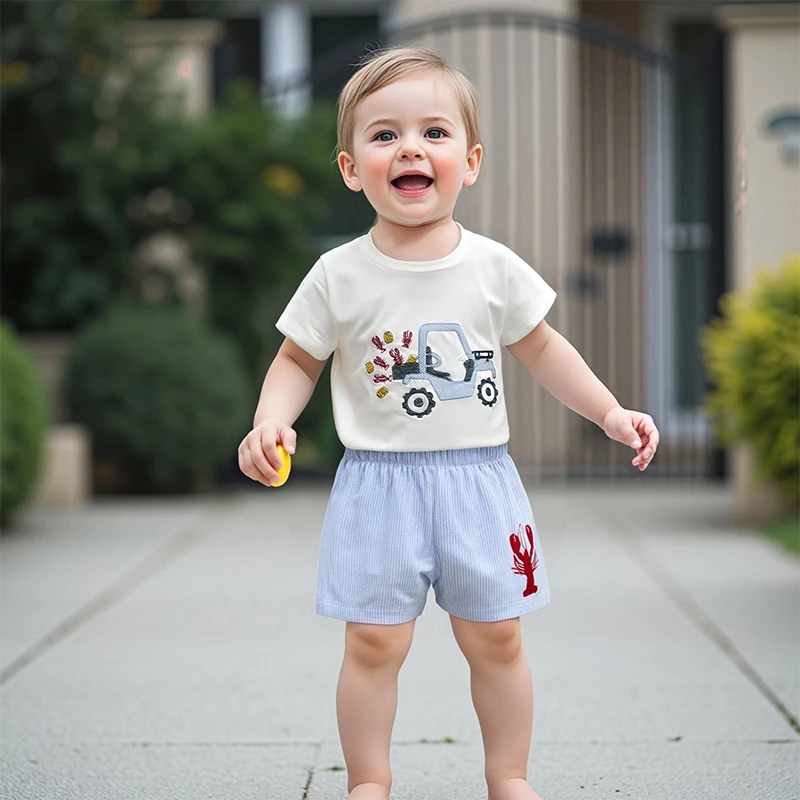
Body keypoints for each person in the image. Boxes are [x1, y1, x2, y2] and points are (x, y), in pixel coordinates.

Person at [238, 47, 659, 800]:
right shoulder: (339, 273)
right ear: (349, 166)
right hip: (377, 487)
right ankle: (368, 780)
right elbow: (297, 360)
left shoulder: (492, 267)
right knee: (372, 643)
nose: (409, 149)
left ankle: (509, 776)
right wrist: (269, 422)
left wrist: (608, 411)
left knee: (497, 637)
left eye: (433, 133)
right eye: (384, 135)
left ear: (470, 162)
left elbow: (543, 348)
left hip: (478, 481)